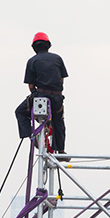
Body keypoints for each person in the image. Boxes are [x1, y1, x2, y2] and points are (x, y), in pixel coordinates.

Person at [15, 32, 70, 161]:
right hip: (56, 98)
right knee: (58, 121)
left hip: (40, 96)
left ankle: (32, 137)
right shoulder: (58, 58)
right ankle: (61, 151)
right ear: (48, 45)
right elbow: (62, 81)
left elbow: (30, 86)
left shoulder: (32, 61)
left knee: (20, 112)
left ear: (34, 47)